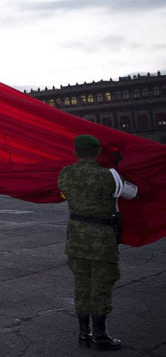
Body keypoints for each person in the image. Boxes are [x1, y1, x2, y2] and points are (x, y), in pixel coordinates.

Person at [58, 135, 139, 351]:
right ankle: (101, 336)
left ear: (76, 152)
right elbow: (132, 193)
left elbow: (64, 194)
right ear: (97, 152)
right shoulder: (109, 176)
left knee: (82, 285)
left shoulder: (65, 174)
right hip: (102, 239)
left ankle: (84, 334)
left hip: (76, 237)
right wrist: (121, 168)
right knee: (101, 285)